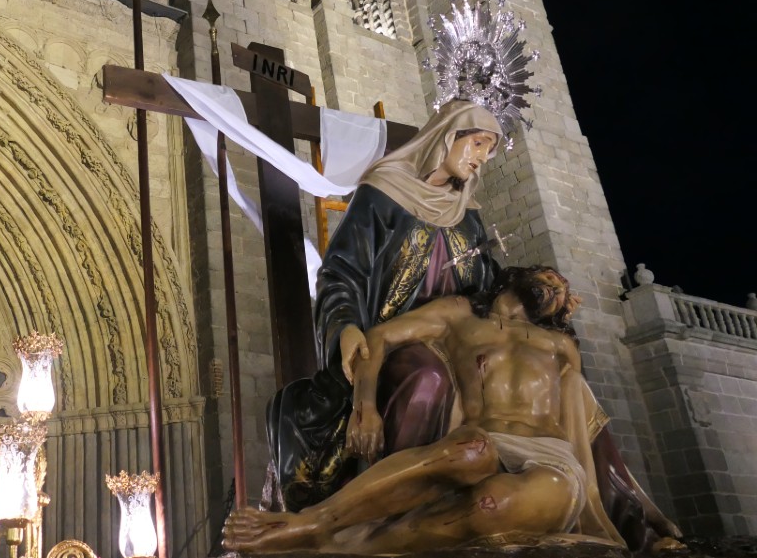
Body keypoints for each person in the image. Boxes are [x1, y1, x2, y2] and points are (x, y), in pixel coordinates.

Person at [228, 267, 679, 554]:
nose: (557, 286)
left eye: (562, 291)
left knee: (492, 504)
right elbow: (381, 338)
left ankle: (335, 544)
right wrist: (366, 405)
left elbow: (586, 433)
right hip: (483, 439)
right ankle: (311, 522)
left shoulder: (561, 346)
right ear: (514, 277)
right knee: (468, 451)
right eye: (551, 277)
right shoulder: (461, 316)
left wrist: (631, 518)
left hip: (550, 457)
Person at [265, 99, 502, 511]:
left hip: (460, 335)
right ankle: (391, 510)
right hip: (394, 340)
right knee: (428, 378)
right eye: (478, 144)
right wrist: (346, 327)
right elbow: (341, 271)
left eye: (489, 150)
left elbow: (489, 281)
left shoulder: (469, 215)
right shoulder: (382, 194)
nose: (482, 159)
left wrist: (535, 293)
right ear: (448, 136)